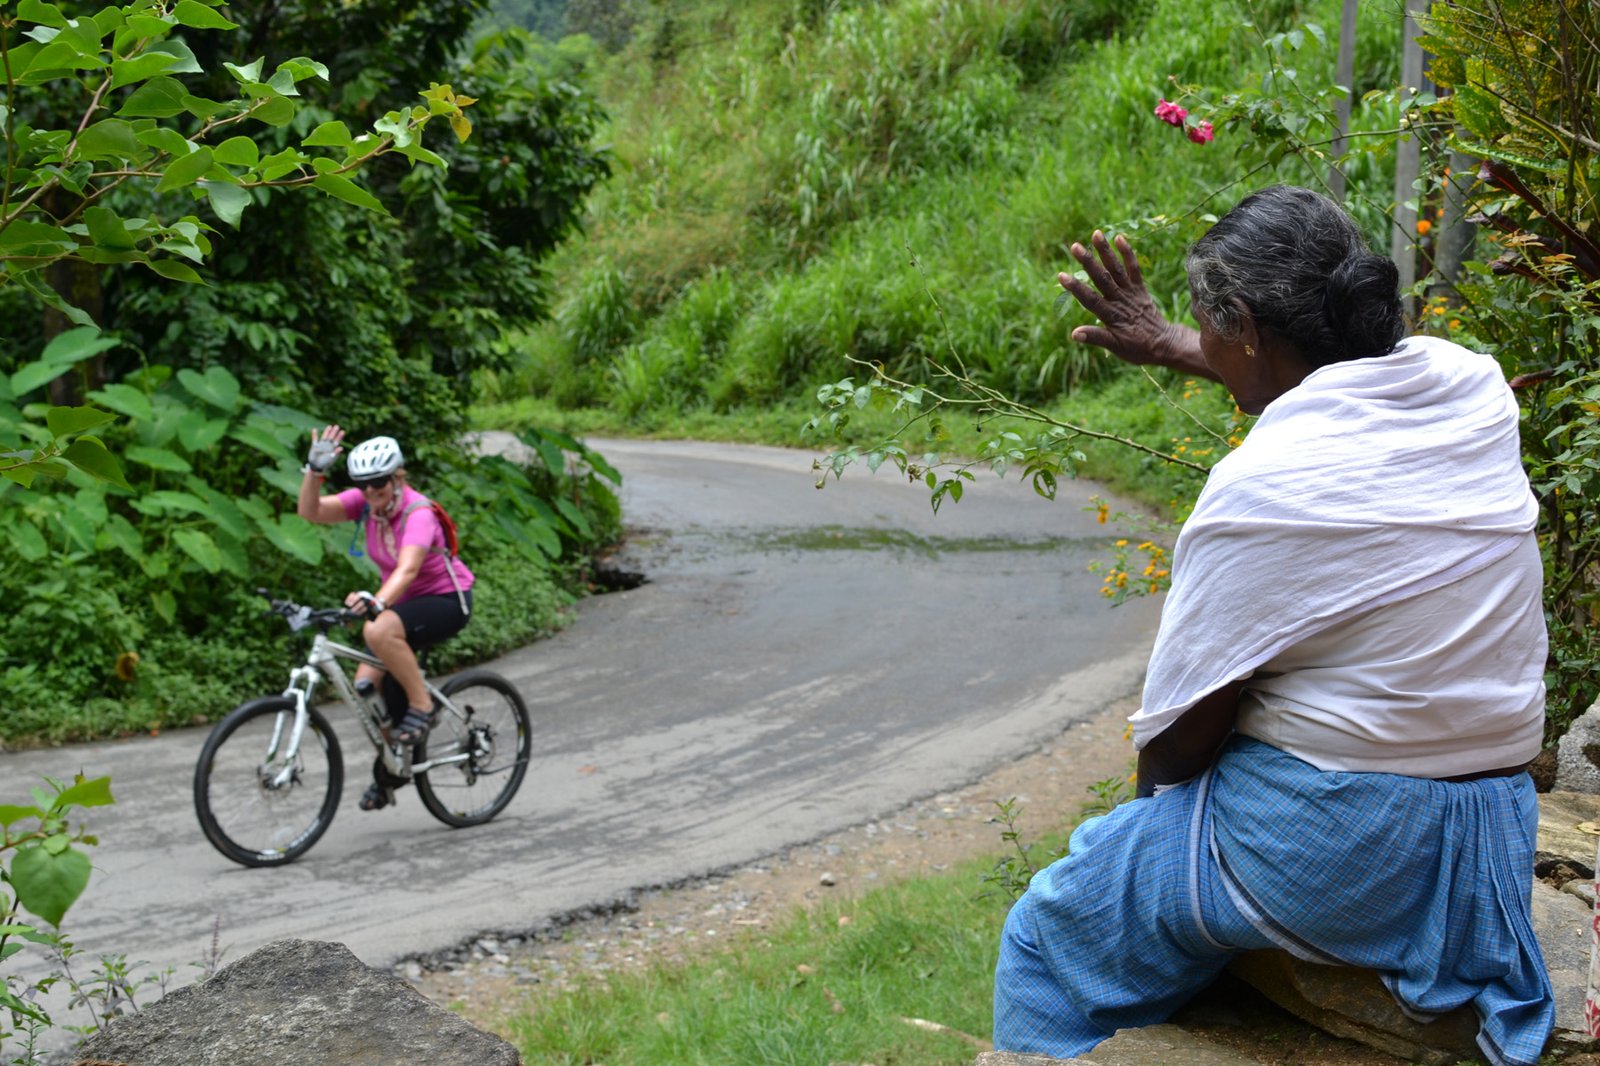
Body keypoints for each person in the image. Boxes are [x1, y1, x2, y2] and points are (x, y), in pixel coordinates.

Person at [992, 185, 1553, 1066]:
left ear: (1245, 326)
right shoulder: (1472, 387)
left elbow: (1176, 750)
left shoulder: (1262, 489)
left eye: (1207, 329)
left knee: (1051, 935)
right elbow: (1325, 385)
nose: (1203, 346)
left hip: (1355, 846)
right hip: (1488, 831)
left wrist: (1151, 854)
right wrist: (1174, 344)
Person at [297, 425, 476, 811]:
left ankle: (422, 705)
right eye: (364, 484)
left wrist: (376, 601)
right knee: (366, 689)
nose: (372, 491)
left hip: (445, 600)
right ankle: (394, 767)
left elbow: (409, 568)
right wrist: (314, 471)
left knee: (378, 628)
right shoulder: (366, 505)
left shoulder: (418, 512)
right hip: (399, 607)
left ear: (397, 478)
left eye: (379, 482)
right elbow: (310, 511)